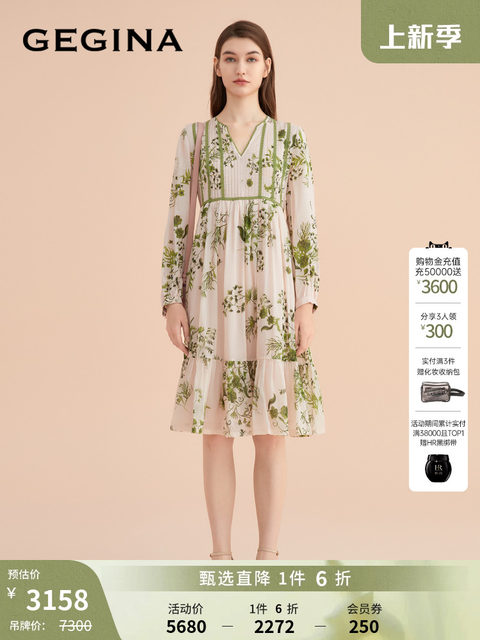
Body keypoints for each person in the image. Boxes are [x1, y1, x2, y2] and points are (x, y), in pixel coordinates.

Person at [161, 20, 325, 561]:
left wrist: (306, 303)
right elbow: (179, 223)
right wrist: (171, 298)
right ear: (216, 67)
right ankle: (221, 557)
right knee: (215, 432)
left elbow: (304, 227)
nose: (241, 68)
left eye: (251, 58)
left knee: (271, 430)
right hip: (210, 295)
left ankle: (268, 557)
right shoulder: (194, 139)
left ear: (267, 68)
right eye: (230, 58)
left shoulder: (289, 138)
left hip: (272, 295)